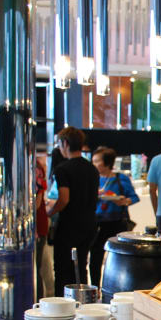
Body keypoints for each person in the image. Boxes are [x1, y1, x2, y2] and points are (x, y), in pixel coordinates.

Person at [47, 126, 99, 294]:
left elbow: (64, 199)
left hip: (69, 225)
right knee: (81, 266)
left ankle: (62, 303)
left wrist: (49, 213)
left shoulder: (63, 169)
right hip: (90, 224)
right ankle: (82, 301)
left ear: (65, 143)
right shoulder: (92, 169)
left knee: (63, 268)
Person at [90, 147, 140, 285]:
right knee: (95, 257)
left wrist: (124, 201)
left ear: (107, 163)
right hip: (98, 222)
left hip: (117, 221)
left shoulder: (121, 178)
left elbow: (134, 197)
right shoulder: (93, 178)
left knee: (118, 257)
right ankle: (95, 287)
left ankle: (118, 286)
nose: (94, 164)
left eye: (96, 161)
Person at [35, 154, 49, 298]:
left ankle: (37, 304)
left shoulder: (36, 169)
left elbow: (36, 204)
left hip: (36, 228)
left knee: (35, 269)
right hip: (38, 226)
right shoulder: (36, 167)